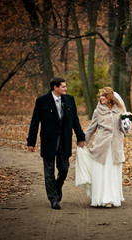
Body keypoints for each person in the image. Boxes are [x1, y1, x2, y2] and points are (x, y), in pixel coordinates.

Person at [27, 76, 85, 210]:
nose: (66, 88)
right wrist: (31, 142)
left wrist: (80, 137)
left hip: (65, 140)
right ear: (55, 87)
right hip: (48, 141)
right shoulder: (42, 101)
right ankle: (53, 199)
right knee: (49, 172)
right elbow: (35, 122)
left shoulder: (69, 100)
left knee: (64, 169)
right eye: (63, 86)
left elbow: (75, 120)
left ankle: (57, 187)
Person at [78, 87, 126, 207]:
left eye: (102, 95)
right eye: (99, 96)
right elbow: (91, 128)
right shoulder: (97, 111)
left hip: (115, 147)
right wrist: (83, 141)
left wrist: (127, 124)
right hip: (101, 147)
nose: (100, 98)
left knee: (112, 173)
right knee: (102, 173)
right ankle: (103, 199)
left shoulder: (120, 110)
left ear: (110, 97)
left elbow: (123, 129)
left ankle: (112, 198)